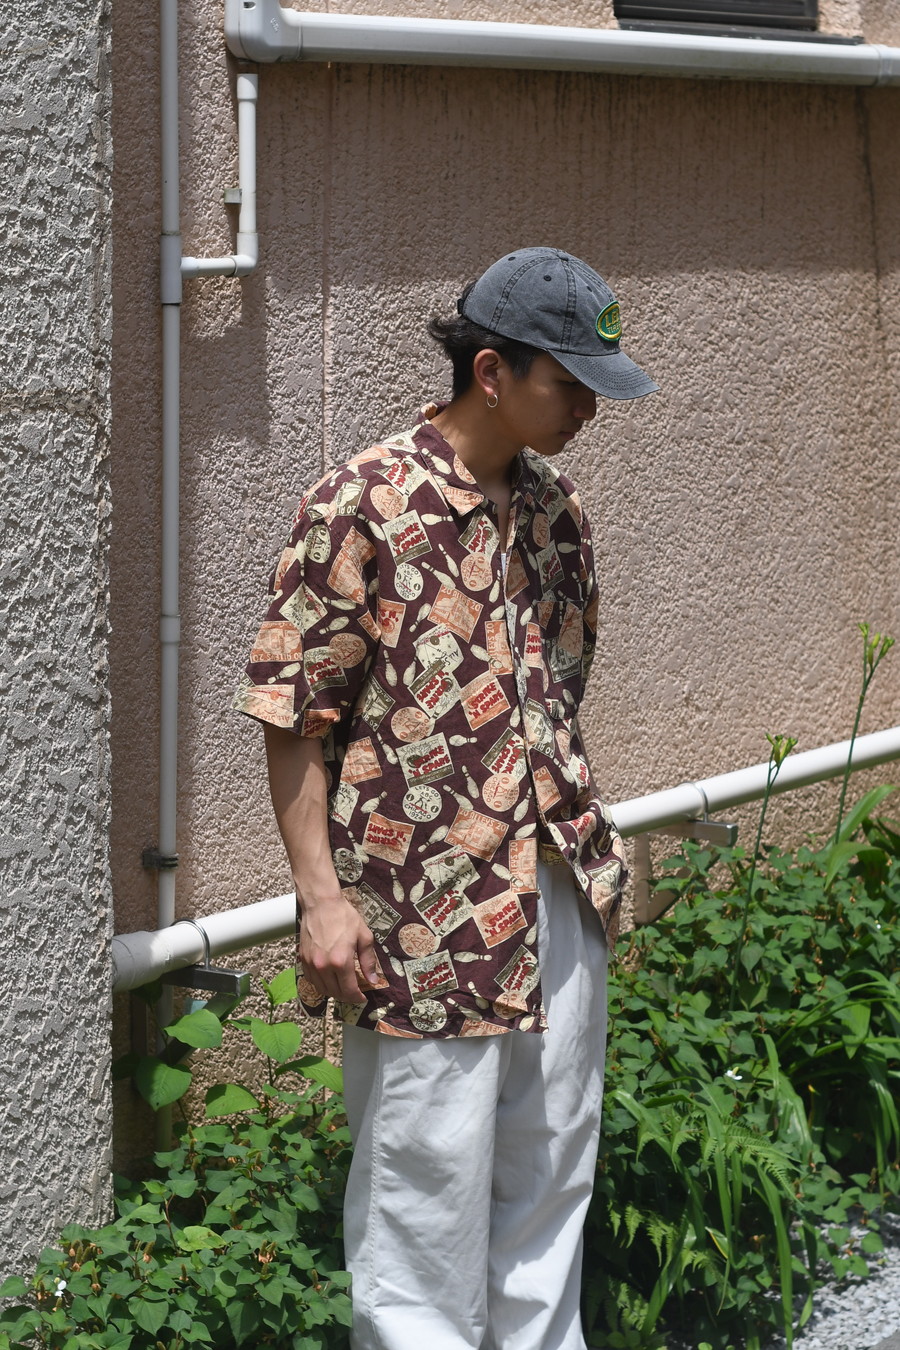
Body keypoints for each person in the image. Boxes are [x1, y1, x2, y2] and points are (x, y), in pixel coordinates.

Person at [235, 246, 658, 1350]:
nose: (587, 409)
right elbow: (293, 712)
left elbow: (558, 690)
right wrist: (321, 900)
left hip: (555, 893)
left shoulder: (557, 511)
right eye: (567, 383)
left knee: (550, 1191)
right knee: (420, 1213)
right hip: (420, 917)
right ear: (491, 372)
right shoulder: (361, 505)